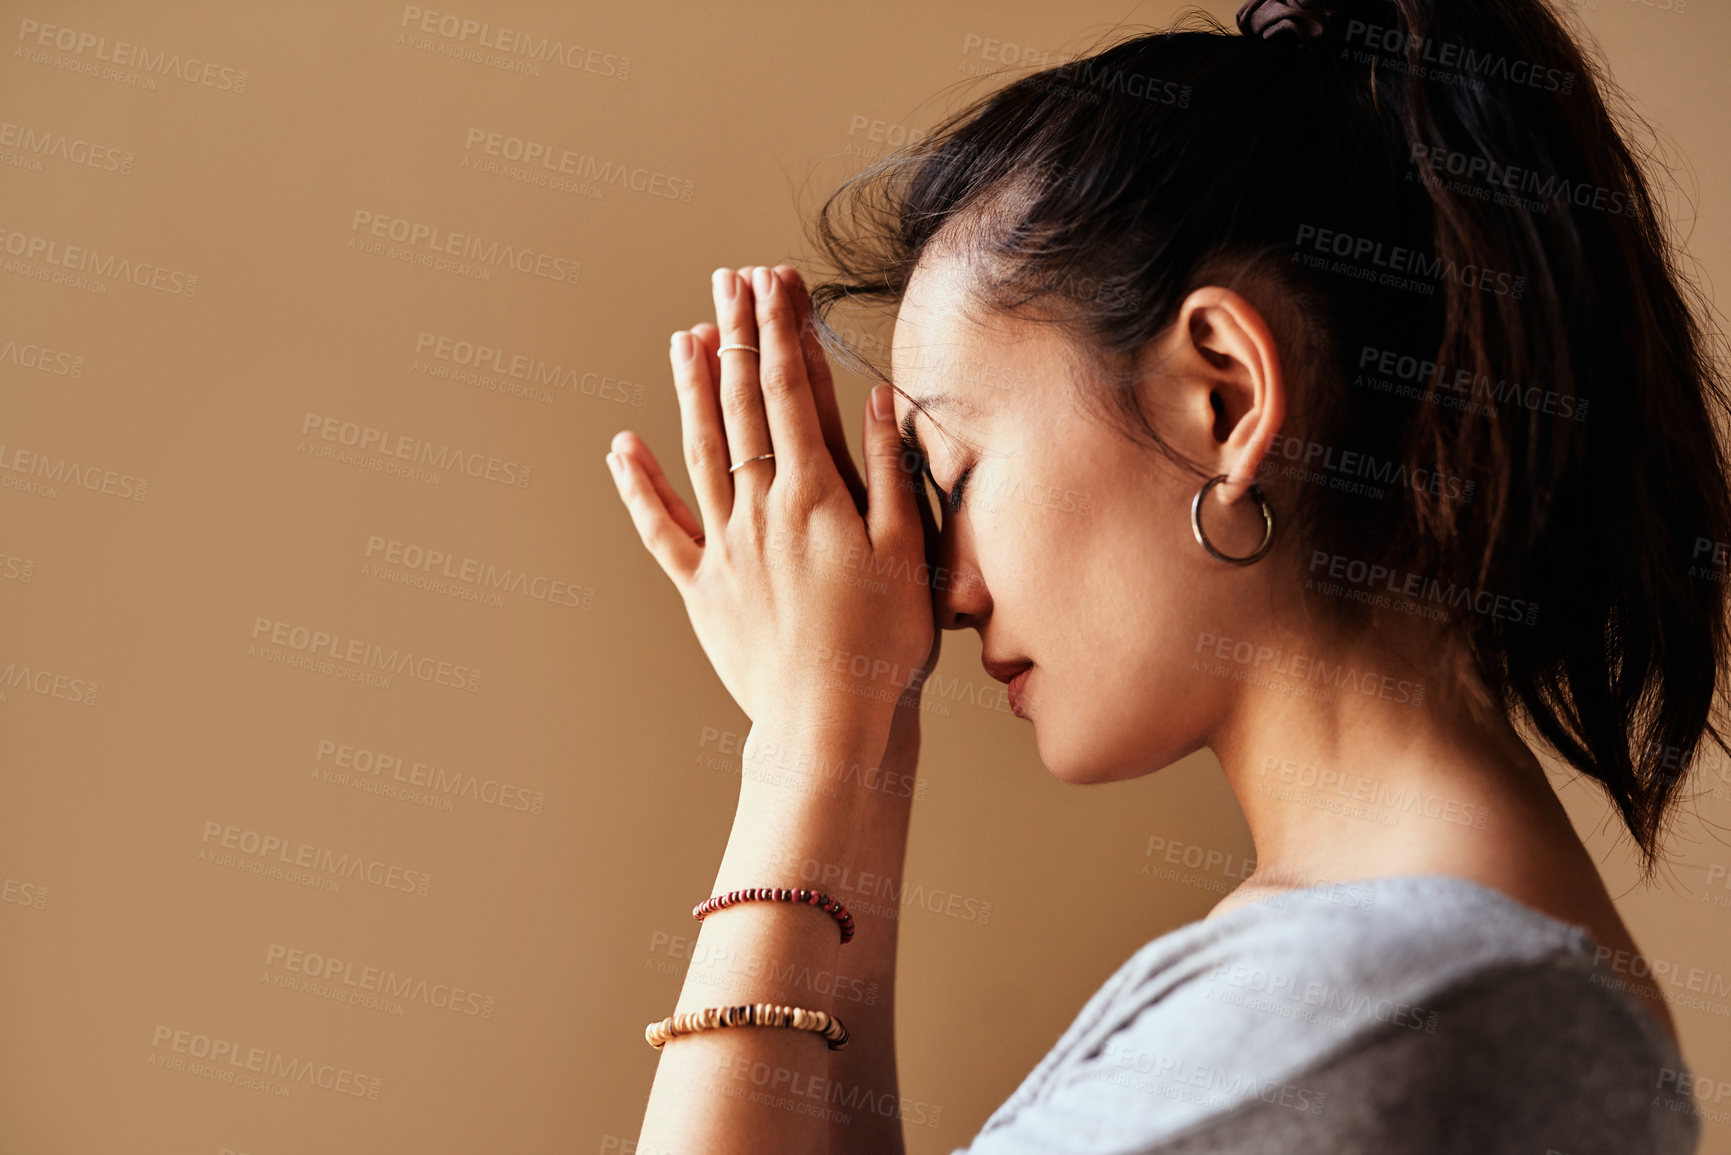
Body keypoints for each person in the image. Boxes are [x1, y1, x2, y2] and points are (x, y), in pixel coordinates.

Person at [604, 0, 1727, 1150]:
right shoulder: (1404, 980)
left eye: (963, 470)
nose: (944, 590)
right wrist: (862, 743)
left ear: (1224, 401)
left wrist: (806, 737)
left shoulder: (1386, 1004)